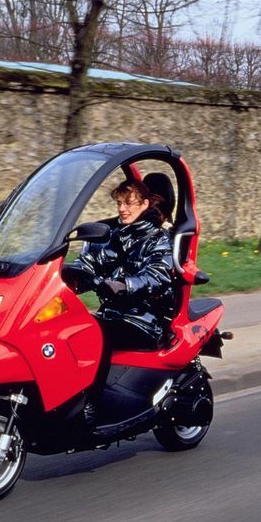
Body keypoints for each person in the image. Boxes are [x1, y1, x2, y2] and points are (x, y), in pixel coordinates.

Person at [63, 179, 176, 421]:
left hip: (146, 317)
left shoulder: (159, 238)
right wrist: (63, 275)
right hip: (113, 313)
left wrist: (126, 285)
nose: (123, 209)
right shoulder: (112, 236)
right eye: (119, 203)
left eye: (129, 203)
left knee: (94, 335)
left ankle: (90, 406)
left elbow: (157, 274)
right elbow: (88, 265)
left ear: (145, 204)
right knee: (63, 331)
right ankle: (64, 397)